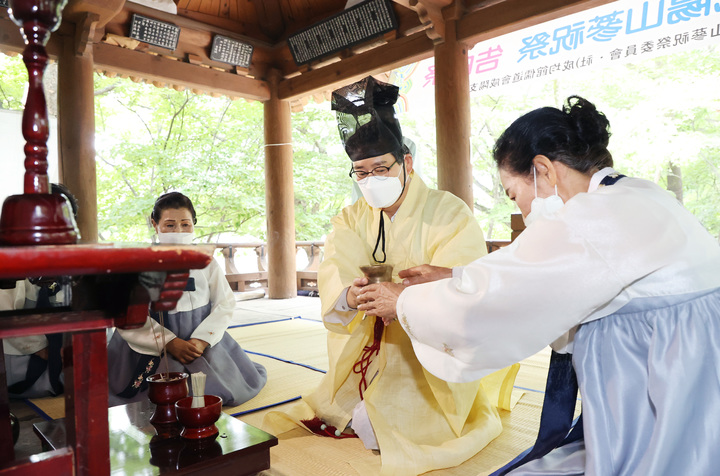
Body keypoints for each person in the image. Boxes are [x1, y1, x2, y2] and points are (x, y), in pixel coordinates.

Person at [356, 96, 720, 475]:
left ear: (543, 171)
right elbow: (533, 271)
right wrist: (454, 276)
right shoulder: (636, 194)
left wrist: (404, 301)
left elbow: (500, 295)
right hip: (693, 373)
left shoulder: (588, 219)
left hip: (660, 394)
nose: (524, 212)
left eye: (516, 196)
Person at [264, 76, 519, 476]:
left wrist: (403, 300)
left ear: (407, 163)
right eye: (361, 173)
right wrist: (354, 296)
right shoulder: (351, 217)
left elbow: (466, 285)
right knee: (339, 411)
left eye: (381, 168)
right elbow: (337, 271)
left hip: (426, 356)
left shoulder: (449, 212)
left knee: (391, 431)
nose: (371, 181)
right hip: (368, 345)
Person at [107, 191, 267, 407]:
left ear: (194, 224)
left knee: (220, 390)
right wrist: (169, 342)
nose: (179, 231)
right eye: (170, 225)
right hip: (153, 343)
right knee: (161, 397)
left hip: (200, 340)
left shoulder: (206, 261)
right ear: (155, 224)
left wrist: (202, 339)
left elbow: (225, 302)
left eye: (185, 224)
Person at [2, 183, 76, 399]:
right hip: (26, 356)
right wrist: (41, 349)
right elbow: (6, 312)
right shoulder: (11, 259)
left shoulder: (75, 260)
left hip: (65, 357)